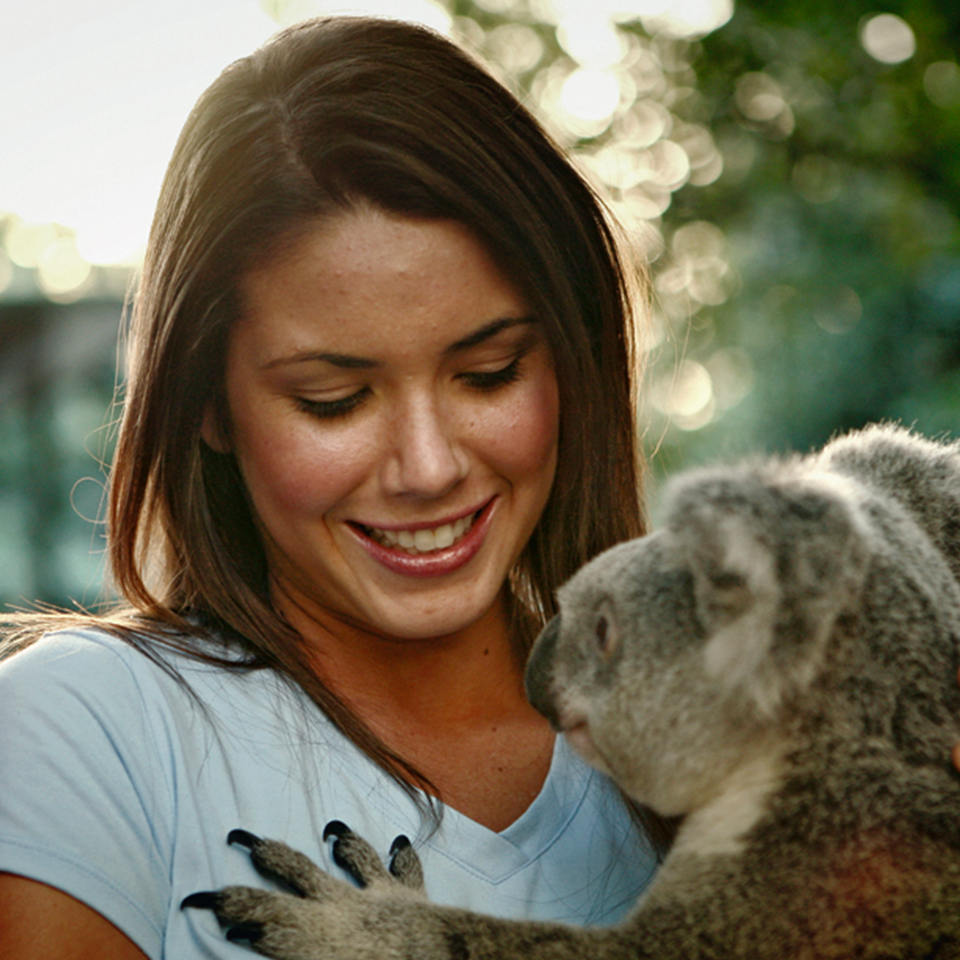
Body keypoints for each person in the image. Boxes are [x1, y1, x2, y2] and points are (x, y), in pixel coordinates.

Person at [0, 16, 662, 959]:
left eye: (490, 374)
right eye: (335, 400)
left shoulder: (723, 740)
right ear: (209, 405)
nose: (428, 466)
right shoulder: (91, 735)